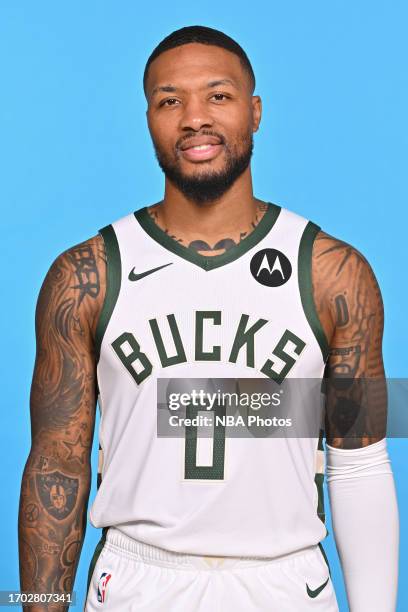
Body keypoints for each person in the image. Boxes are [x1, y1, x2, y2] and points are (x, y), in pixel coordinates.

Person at [19, 25, 399, 612]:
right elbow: (57, 462)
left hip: (286, 580)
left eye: (217, 96)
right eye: (170, 100)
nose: (194, 117)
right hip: (137, 578)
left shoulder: (332, 272)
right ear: (148, 118)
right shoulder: (86, 274)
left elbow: (358, 460)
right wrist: (36, 605)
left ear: (254, 111)